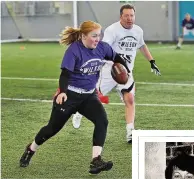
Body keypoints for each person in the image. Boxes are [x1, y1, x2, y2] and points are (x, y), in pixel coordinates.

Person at [19, 20, 130, 174]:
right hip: (69, 96)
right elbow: (65, 74)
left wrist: (125, 71)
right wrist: (63, 92)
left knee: (102, 121)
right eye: (94, 36)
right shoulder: (74, 50)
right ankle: (30, 150)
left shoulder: (103, 47)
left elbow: (116, 57)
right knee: (52, 129)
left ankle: (95, 161)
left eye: (99, 35)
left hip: (88, 97)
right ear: (83, 36)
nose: (97, 39)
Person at [72, 4, 161, 143]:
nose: (129, 18)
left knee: (129, 99)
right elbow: (103, 48)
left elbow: (142, 45)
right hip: (110, 70)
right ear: (121, 16)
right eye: (126, 15)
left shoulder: (138, 31)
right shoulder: (112, 30)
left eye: (132, 15)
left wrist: (151, 61)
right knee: (93, 95)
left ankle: (130, 132)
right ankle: (79, 111)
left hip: (127, 72)